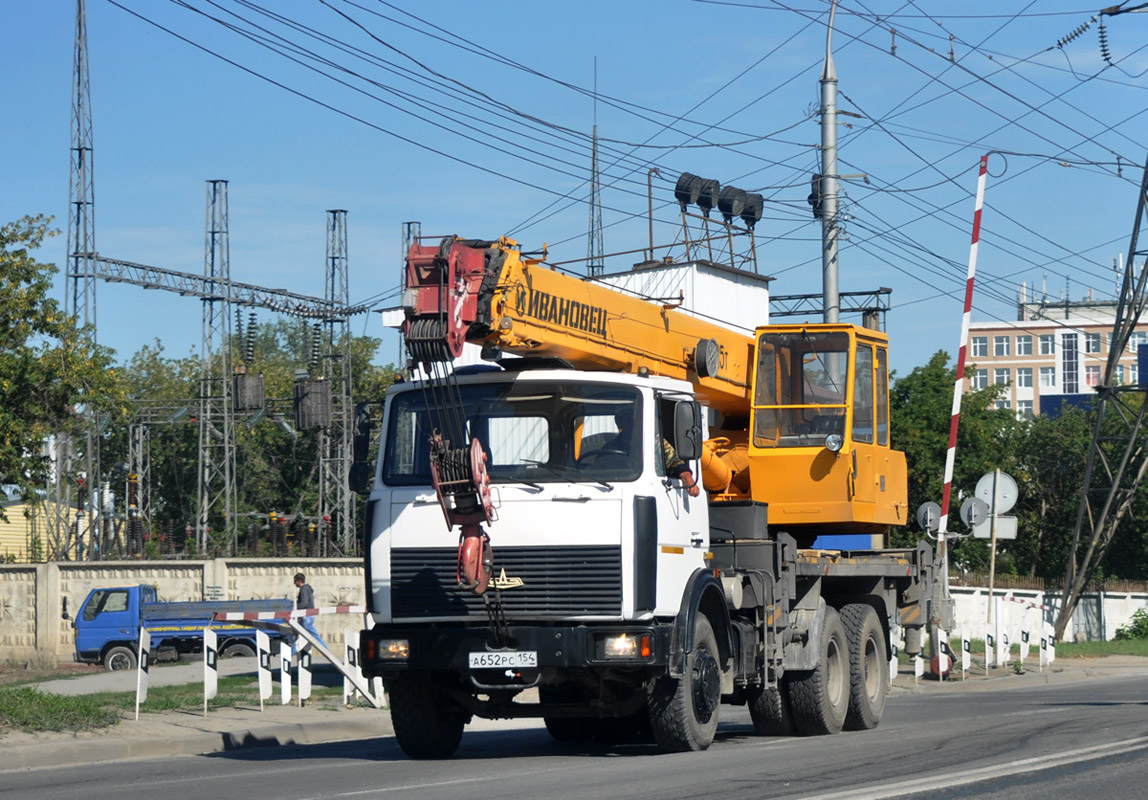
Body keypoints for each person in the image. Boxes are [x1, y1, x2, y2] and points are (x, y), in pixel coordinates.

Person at [608, 410, 701, 497]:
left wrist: (689, 481)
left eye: (633, 419)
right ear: (618, 422)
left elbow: (675, 462)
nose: (630, 424)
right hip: (613, 491)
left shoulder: (655, 442)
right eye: (627, 420)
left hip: (650, 491)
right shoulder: (609, 448)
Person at [293, 572, 326, 652]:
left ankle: (327, 651)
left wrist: (296, 609)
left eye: (295, 581)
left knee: (315, 636)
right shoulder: (307, 589)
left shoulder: (304, 589)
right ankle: (290, 654)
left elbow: (304, 602)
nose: (294, 583)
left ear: (299, 581)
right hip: (307, 616)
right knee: (298, 635)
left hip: (306, 616)